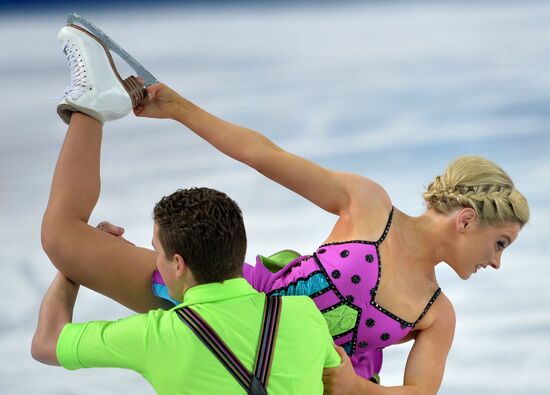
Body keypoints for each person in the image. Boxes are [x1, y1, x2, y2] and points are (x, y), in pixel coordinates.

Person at [41, 22, 530, 395]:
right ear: (466, 220)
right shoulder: (369, 205)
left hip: (293, 377)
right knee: (63, 240)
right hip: (233, 300)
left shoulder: (436, 314)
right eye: (500, 243)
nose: (497, 260)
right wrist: (180, 107)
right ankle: (92, 103)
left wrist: (357, 388)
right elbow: (264, 155)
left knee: (64, 244)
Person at [33, 25, 340, 395]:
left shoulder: (157, 336)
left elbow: (46, 344)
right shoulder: (302, 316)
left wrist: (73, 269)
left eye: (156, 251)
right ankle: (92, 108)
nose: (152, 258)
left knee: (60, 235)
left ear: (178, 264)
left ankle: (92, 103)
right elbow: (338, 382)